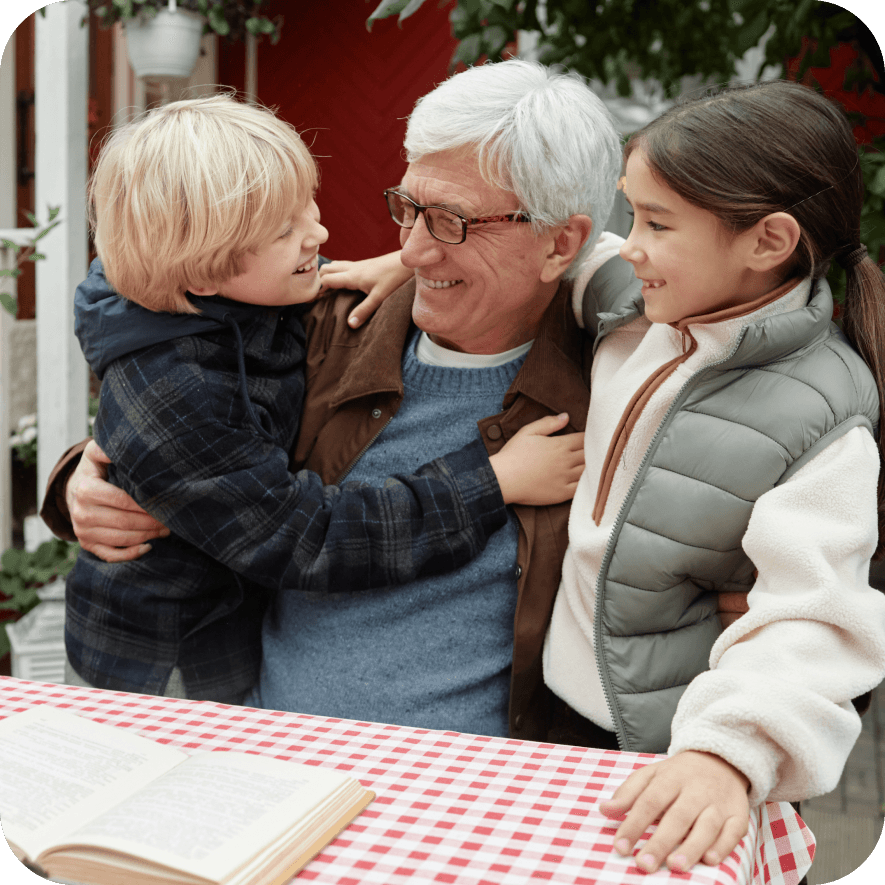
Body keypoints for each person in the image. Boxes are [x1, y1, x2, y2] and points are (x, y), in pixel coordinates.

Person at [43, 59, 620, 737]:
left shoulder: (613, 383)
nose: (409, 250)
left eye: (451, 222)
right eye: (408, 208)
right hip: (222, 716)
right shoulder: (318, 323)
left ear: (562, 244)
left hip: (468, 781)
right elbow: (206, 422)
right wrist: (86, 474)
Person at [541, 79, 885, 874]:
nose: (631, 243)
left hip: (680, 752)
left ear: (766, 241)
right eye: (632, 214)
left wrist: (727, 753)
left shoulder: (821, 410)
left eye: (656, 223)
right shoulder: (645, 299)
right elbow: (578, 257)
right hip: (557, 710)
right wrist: (410, 259)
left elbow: (814, 619)